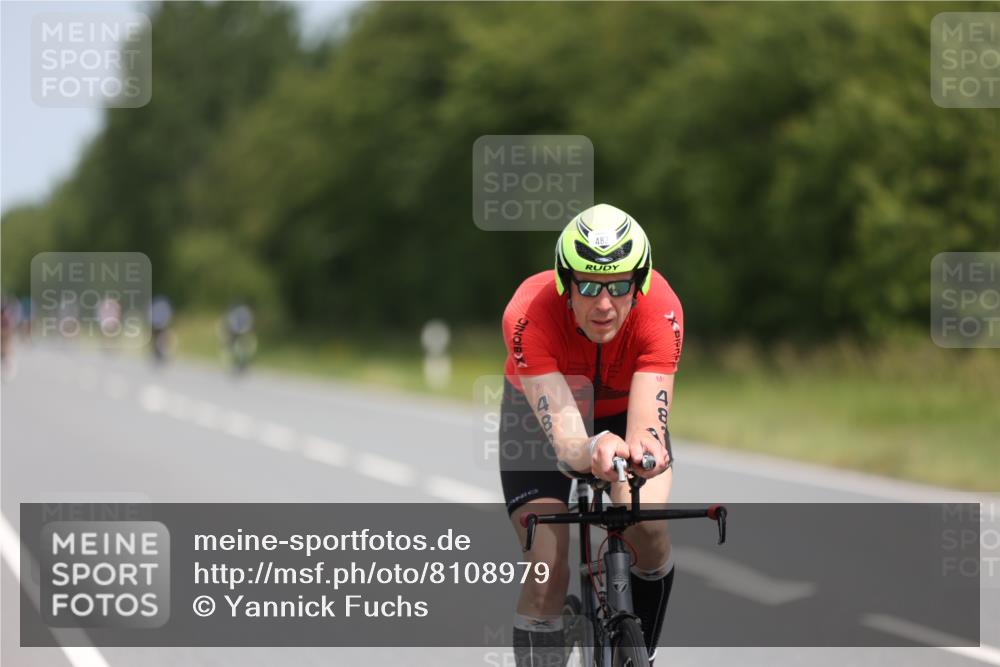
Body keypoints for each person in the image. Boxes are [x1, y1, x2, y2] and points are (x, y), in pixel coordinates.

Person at [500, 203, 683, 666]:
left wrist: (641, 454)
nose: (604, 304)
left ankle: (635, 655)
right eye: (588, 285)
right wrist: (594, 446)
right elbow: (566, 438)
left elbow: (646, 429)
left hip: (624, 413)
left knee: (650, 527)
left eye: (620, 286)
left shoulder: (662, 310)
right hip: (540, 418)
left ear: (638, 284)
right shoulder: (528, 314)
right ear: (565, 281)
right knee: (546, 568)